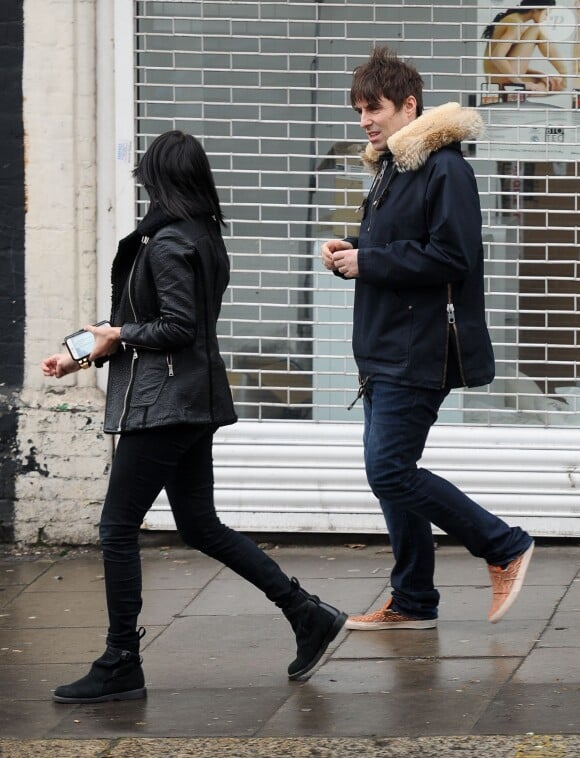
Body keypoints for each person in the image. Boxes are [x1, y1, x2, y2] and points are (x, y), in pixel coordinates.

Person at [42, 130, 346, 703]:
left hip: (165, 407)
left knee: (115, 528)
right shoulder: (202, 236)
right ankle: (307, 614)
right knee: (200, 525)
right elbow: (145, 323)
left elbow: (176, 327)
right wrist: (82, 351)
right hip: (190, 400)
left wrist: (121, 334)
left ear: (157, 180)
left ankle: (120, 660)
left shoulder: (167, 242)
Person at [321, 47, 534, 631]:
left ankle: (504, 545)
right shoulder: (392, 168)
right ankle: (413, 599)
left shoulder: (445, 169)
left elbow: (453, 256)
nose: (365, 120)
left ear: (409, 105)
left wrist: (372, 261)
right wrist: (350, 251)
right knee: (391, 475)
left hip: (420, 349)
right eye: (359, 109)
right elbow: (398, 249)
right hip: (384, 346)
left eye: (376, 108)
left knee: (390, 470)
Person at [482, 0, 568, 93]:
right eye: (546, 14)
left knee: (555, 83)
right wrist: (521, 83)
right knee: (538, 29)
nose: (546, 18)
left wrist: (539, 75)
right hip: (499, 78)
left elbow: (508, 60)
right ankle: (566, 73)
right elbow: (497, 57)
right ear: (535, 9)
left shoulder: (515, 20)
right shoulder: (515, 23)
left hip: (498, 77)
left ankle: (557, 80)